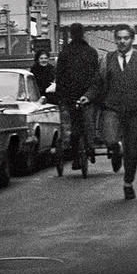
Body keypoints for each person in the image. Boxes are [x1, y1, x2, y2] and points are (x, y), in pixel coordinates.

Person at [85, 24, 137, 200]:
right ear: (115, 39)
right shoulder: (107, 60)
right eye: (119, 38)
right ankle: (115, 149)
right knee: (109, 137)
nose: (122, 41)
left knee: (132, 150)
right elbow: (97, 83)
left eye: (125, 38)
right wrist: (87, 96)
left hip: (134, 111)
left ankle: (128, 183)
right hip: (112, 108)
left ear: (132, 40)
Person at [55, 23, 100, 170]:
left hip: (70, 96)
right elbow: (96, 76)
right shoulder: (91, 52)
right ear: (83, 34)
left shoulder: (64, 53)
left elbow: (60, 76)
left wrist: (61, 95)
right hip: (88, 95)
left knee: (73, 126)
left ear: (71, 35)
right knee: (89, 122)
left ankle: (75, 156)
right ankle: (90, 147)